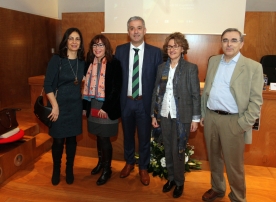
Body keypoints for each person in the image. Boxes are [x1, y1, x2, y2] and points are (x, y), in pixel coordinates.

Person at [200, 28, 263, 202]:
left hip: (234, 121)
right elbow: (207, 88)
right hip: (211, 118)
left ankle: (237, 197)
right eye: (225, 40)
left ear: (241, 43)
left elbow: (256, 101)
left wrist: (243, 124)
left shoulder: (253, 67)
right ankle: (217, 188)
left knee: (234, 165)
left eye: (234, 40)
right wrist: (204, 112)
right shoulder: (213, 61)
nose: (229, 44)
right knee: (214, 158)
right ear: (221, 43)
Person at [151, 32, 201, 198]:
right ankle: (171, 178)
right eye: (170, 46)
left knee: (178, 150)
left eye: (176, 46)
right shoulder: (161, 68)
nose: (172, 49)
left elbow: (195, 94)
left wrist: (195, 118)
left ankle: (179, 182)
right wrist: (154, 114)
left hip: (183, 117)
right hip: (164, 113)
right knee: (168, 148)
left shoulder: (190, 68)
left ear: (182, 48)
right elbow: (155, 93)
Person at [115, 16, 163, 186]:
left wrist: (156, 108)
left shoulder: (156, 52)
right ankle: (129, 163)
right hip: (126, 102)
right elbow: (116, 79)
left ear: (145, 30)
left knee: (144, 137)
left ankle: (143, 167)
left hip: (145, 103)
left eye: (139, 28)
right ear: (128, 31)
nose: (136, 31)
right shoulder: (119, 50)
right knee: (127, 136)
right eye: (132, 28)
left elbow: (159, 83)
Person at [44, 27, 85, 185]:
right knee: (59, 141)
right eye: (71, 38)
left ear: (81, 43)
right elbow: (47, 85)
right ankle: (56, 170)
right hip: (58, 105)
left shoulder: (82, 62)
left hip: (74, 106)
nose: (74, 42)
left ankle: (69, 170)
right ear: (66, 41)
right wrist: (54, 106)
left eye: (77, 39)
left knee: (72, 140)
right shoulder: (57, 59)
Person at [83, 34, 122, 185]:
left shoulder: (114, 63)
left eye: (100, 45)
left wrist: (105, 108)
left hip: (107, 107)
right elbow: (84, 87)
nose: (97, 48)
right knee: (98, 136)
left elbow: (116, 89)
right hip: (92, 104)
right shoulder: (89, 63)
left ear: (106, 47)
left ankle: (107, 169)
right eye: (94, 45)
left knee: (105, 138)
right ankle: (100, 163)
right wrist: (84, 107)